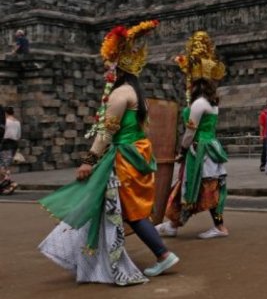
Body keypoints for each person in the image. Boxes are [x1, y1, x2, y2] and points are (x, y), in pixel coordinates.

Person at [39, 20, 180, 285]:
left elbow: (106, 133)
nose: (107, 69)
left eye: (110, 64)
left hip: (124, 157)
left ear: (119, 68)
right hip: (136, 154)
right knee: (119, 208)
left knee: (129, 211)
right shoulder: (136, 93)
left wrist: (88, 161)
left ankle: (163, 254)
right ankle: (94, 256)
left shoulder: (119, 96)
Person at [156, 31, 230, 239]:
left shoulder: (198, 104)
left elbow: (190, 132)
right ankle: (173, 223)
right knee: (197, 186)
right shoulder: (212, 103)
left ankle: (218, 227)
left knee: (203, 187)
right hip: (211, 146)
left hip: (200, 150)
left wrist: (182, 150)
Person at [0, 106, 20, 195]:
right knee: (6, 164)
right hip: (14, 144)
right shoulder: (17, 122)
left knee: (2, 165)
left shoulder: (6, 122)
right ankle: (7, 183)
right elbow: (18, 136)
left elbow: (3, 133)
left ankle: (8, 182)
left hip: (6, 144)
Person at [258, 98, 267, 172]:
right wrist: (261, 135)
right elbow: (261, 125)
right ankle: (263, 164)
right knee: (265, 150)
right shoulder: (263, 114)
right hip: (266, 134)